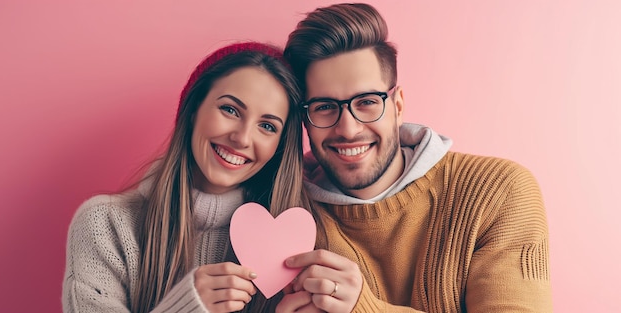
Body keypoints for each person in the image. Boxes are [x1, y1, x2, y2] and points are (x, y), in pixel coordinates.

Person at [277, 3, 552, 313]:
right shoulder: (284, 209)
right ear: (305, 120)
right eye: (324, 107)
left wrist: (365, 308)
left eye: (367, 101)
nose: (348, 129)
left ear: (397, 105)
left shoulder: (498, 191)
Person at [62, 42, 310, 313]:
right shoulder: (105, 225)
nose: (242, 138)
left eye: (267, 126)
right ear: (193, 110)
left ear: (280, 146)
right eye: (230, 110)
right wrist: (186, 307)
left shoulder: (296, 241)